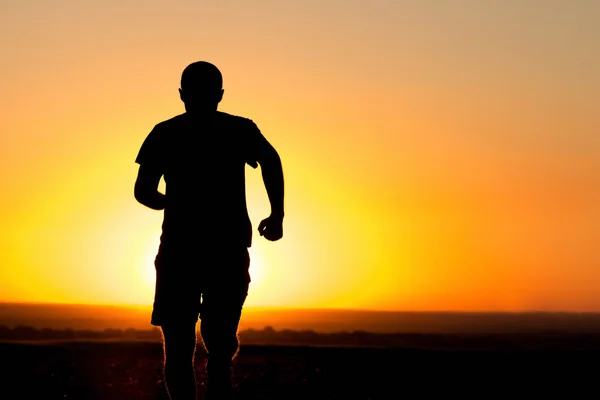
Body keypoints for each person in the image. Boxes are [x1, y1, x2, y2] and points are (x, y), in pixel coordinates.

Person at [134, 61, 284, 400]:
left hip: (183, 251)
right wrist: (276, 214)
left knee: (181, 350)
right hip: (221, 250)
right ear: (220, 95)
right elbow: (271, 161)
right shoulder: (239, 130)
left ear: (181, 95)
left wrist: (170, 202)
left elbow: (143, 191)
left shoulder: (165, 132)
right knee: (217, 351)